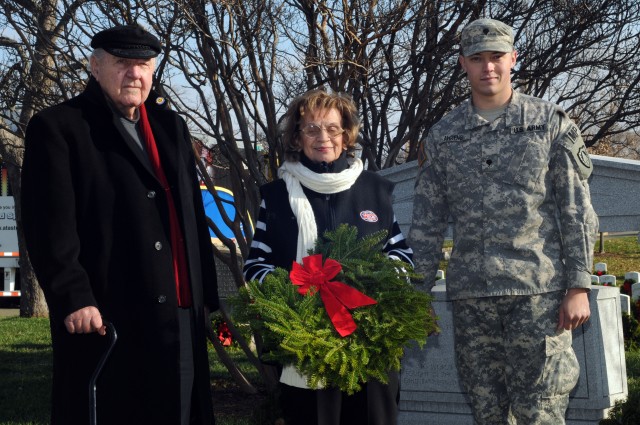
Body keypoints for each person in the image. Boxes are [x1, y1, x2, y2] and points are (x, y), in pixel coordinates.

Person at [21, 24, 218, 425]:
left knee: (181, 412)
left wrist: (206, 297)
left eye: (143, 65)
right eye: (122, 64)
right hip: (107, 313)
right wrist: (73, 296)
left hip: (178, 311)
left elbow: (192, 217)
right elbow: (48, 225)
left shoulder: (171, 128)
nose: (135, 74)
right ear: (95, 67)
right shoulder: (59, 127)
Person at [408, 18, 599, 425]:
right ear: (463, 64)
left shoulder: (549, 123)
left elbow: (576, 209)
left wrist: (579, 285)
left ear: (513, 58)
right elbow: (427, 221)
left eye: (496, 57)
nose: (488, 67)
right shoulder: (444, 136)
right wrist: (417, 294)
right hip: (472, 298)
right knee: (487, 412)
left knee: (540, 412)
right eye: (477, 58)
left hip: (538, 296)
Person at [242, 89, 413, 425]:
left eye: (333, 128)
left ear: (346, 134)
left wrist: (374, 283)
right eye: (311, 129)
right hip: (304, 353)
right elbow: (255, 266)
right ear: (297, 137)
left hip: (371, 348)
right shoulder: (275, 198)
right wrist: (297, 292)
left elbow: (401, 255)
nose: (324, 138)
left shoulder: (375, 190)